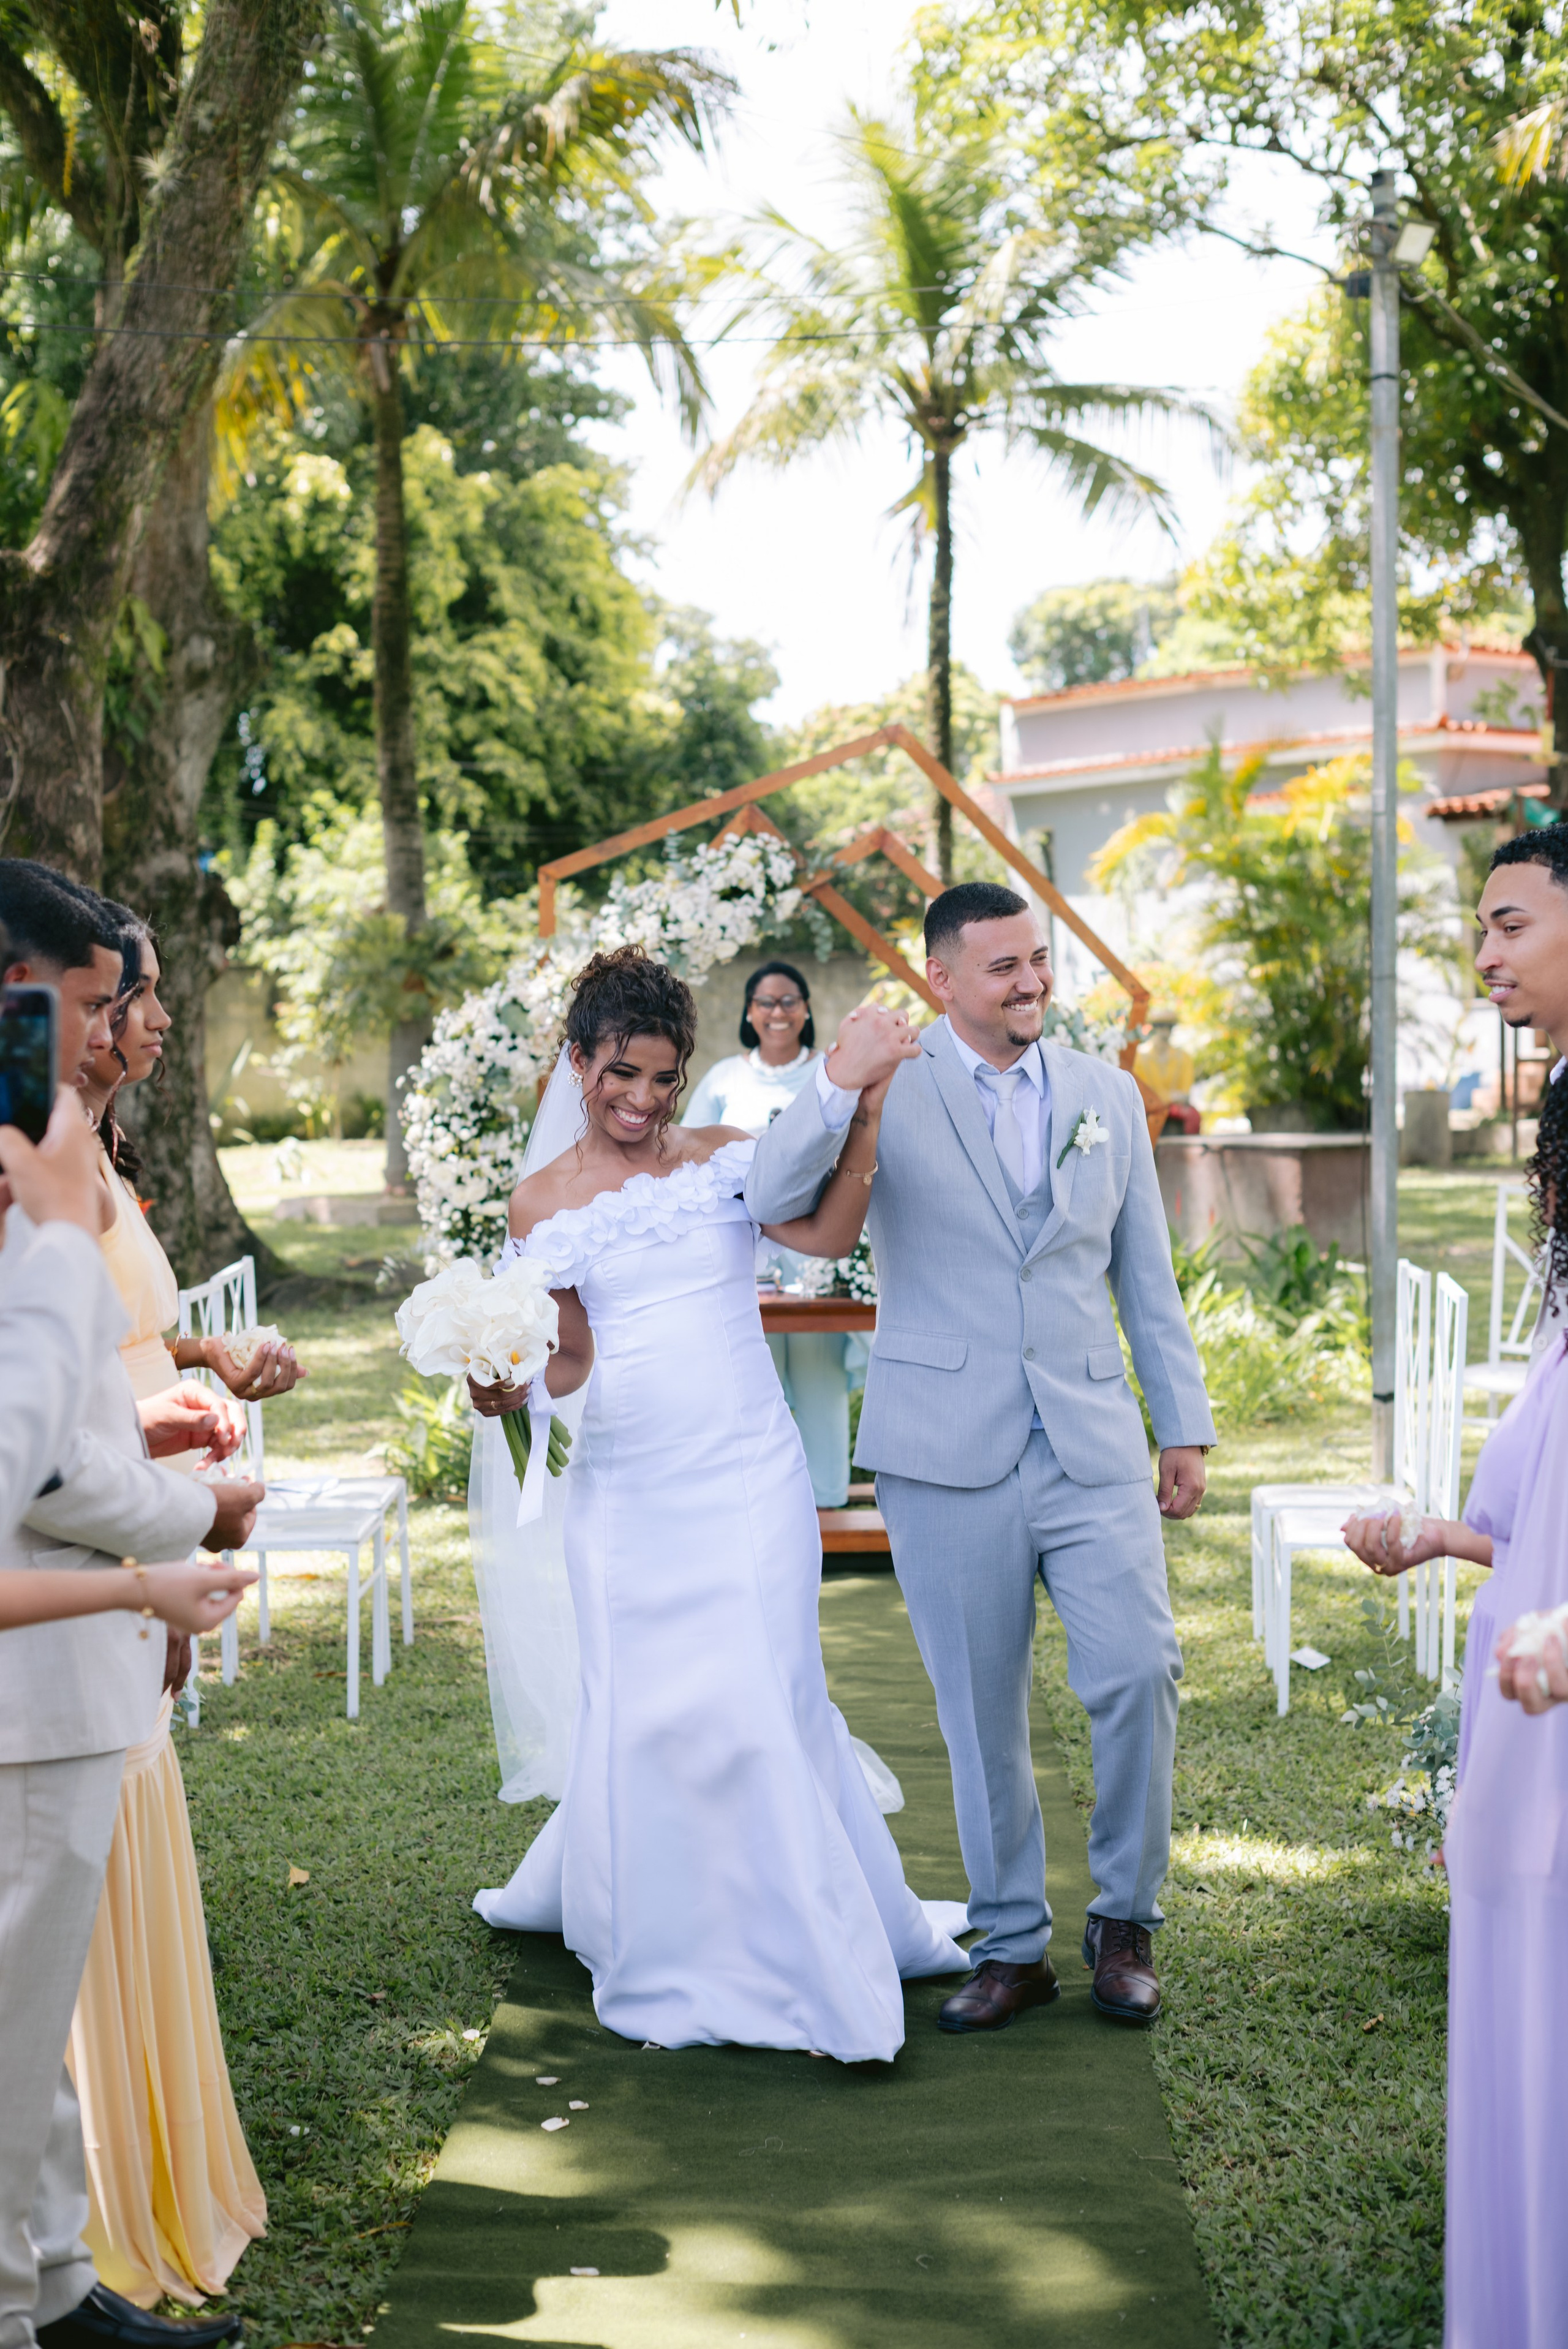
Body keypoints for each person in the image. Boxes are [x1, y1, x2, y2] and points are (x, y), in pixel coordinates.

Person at [469, 946, 968, 2063]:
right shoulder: (537, 1204)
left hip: (749, 1477)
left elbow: (830, 1241)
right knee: (645, 1711)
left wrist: (869, 1116)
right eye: (620, 1075)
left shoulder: (728, 1161)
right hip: (627, 1494)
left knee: (766, 1695)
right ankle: (670, 1932)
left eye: (662, 1077)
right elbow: (570, 1362)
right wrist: (502, 1383)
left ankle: (802, 1937)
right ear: (578, 1060)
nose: (643, 1101)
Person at [745, 881, 1215, 2032]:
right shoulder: (890, 1092)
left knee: (1139, 1672)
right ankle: (1012, 1943)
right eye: (1002, 967)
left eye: (1038, 960)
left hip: (1091, 1437)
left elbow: (1144, 1281)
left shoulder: (1109, 1095)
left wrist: (1183, 1422)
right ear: (943, 981)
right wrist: (841, 1074)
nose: (1032, 982)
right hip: (943, 1448)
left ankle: (1125, 1920)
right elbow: (770, 1193)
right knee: (977, 1709)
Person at [0, 864, 264, 2349]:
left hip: (63, 1650)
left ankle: (54, 2282)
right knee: (5, 2037)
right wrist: (185, 1521)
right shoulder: (16, 1167)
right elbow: (28, 1453)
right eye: (91, 1004)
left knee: (26, 2038)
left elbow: (56, 1393)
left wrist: (148, 1424)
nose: (110, 1033)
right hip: (29, 1680)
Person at [1341, 823, 1568, 2349]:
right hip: (1526, 1638)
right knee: (1506, 1909)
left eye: (1507, 922)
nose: (1481, 955)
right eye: (1472, 930)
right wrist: (1446, 1536)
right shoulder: (1560, 1097)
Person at [62, 905, 294, 2310]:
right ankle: (82, 2211)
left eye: (136, 994)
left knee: (131, 1815)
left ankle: (148, 2164)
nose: (135, 1019)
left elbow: (112, 1329)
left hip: (152, 1497)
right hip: (91, 1522)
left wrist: (205, 1359)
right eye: (118, 994)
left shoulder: (90, 1150)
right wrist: (158, 1450)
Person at [682, 960, 856, 1506]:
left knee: (817, 1371)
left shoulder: (829, 1071)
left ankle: (828, 1497)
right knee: (755, 1377)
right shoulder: (724, 1079)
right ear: (749, 1012)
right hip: (744, 1250)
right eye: (765, 1002)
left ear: (805, 1009)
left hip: (815, 1244)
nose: (777, 1012)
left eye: (788, 1001)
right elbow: (688, 1154)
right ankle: (764, 1503)